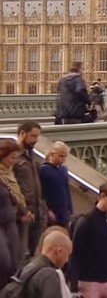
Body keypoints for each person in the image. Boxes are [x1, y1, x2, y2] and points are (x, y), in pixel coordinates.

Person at [70, 181, 107, 298]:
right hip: (89, 281)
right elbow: (74, 255)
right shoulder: (86, 221)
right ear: (103, 196)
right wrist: (74, 286)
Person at [9, 228, 72, 298]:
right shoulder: (49, 275)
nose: (66, 260)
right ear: (59, 251)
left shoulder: (28, 266)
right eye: (68, 255)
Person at [14, 120, 44, 258]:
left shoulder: (30, 153)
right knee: (20, 254)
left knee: (35, 252)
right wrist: (22, 209)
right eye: (33, 136)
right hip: (23, 212)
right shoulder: (13, 155)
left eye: (37, 136)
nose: (36, 140)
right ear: (22, 133)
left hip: (37, 210)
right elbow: (12, 186)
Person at [0, 139, 25, 282]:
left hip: (11, 224)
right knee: (4, 262)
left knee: (13, 265)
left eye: (16, 158)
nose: (14, 161)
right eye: (11, 158)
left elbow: (15, 198)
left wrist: (23, 211)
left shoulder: (9, 174)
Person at [38, 142, 71, 228]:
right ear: (52, 154)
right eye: (60, 156)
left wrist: (70, 209)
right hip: (51, 209)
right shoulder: (44, 170)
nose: (63, 159)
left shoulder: (63, 169)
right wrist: (47, 210)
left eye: (65, 157)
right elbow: (41, 192)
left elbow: (67, 190)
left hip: (63, 210)